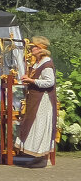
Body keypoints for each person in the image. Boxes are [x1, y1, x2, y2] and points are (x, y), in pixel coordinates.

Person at [15, 36, 57, 168]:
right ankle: (37, 156)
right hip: (35, 99)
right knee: (33, 125)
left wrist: (32, 81)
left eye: (34, 47)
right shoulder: (38, 62)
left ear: (40, 49)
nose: (31, 49)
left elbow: (50, 82)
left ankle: (43, 159)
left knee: (40, 126)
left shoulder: (46, 63)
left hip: (43, 100)